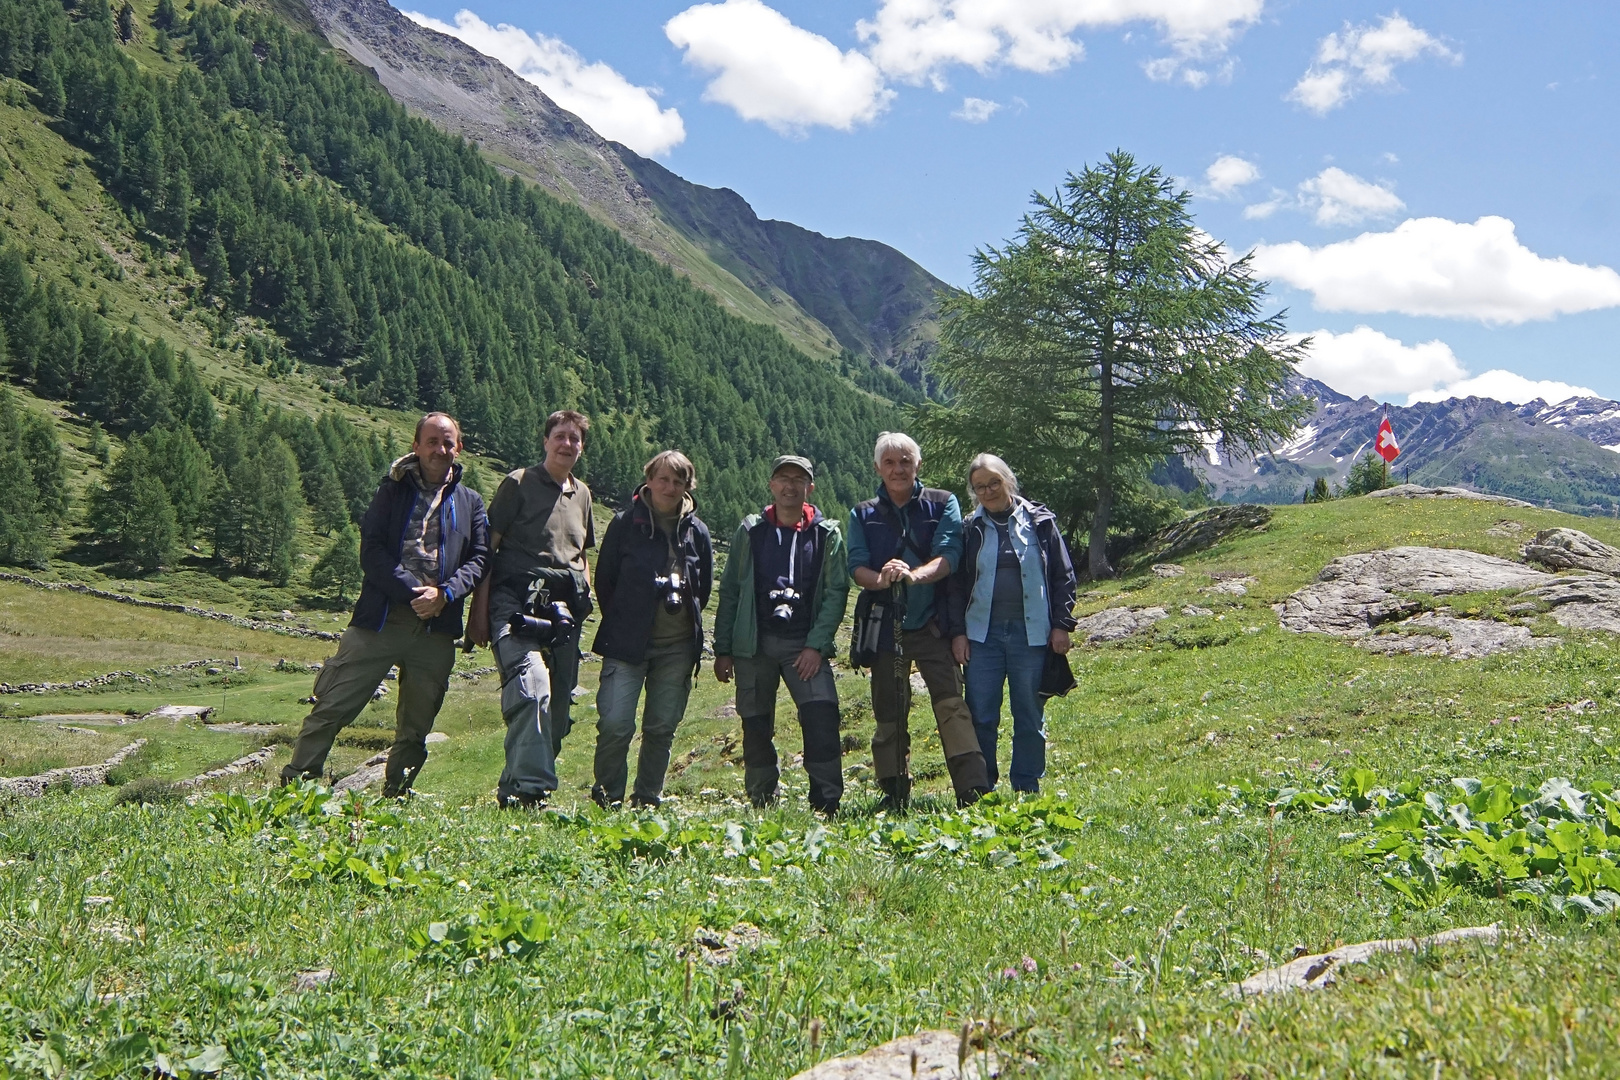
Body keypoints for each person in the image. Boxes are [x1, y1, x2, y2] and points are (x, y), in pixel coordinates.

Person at [281, 413, 488, 796]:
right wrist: (413, 592)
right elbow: (372, 550)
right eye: (432, 442)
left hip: (436, 629)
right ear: (416, 445)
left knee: (418, 722)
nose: (439, 450)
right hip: (381, 619)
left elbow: (478, 558)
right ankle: (297, 786)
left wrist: (445, 594)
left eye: (447, 443)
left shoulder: (471, 502)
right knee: (333, 704)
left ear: (458, 448)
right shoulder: (391, 491)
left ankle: (396, 792)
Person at [848, 432, 990, 809]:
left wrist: (914, 575)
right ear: (878, 467)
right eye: (890, 462)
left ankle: (972, 791)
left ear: (918, 465)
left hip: (933, 626)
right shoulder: (862, 513)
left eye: (905, 461)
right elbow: (856, 564)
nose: (898, 469)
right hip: (884, 628)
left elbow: (950, 555)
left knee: (951, 706)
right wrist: (882, 579)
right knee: (888, 713)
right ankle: (893, 793)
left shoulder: (943, 503)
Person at [471, 410, 595, 809]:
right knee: (533, 687)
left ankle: (513, 789)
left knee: (558, 711)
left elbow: (581, 553)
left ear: (582, 446)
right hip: (515, 600)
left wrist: (585, 591)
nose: (567, 444)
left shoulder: (584, 494)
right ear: (546, 441)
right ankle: (531, 793)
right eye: (560, 436)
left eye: (574, 439)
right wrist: (479, 612)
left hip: (564, 608)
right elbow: (487, 549)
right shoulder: (518, 483)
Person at [714, 455, 850, 815]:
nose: (790, 485)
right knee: (755, 723)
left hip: (804, 645)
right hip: (753, 643)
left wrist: (816, 646)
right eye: (783, 478)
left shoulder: (826, 534)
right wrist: (723, 648)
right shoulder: (751, 531)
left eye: (798, 479)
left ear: (810, 487)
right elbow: (730, 590)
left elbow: (837, 592)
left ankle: (826, 801)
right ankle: (761, 800)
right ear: (771, 485)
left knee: (822, 717)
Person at [945, 454, 1077, 793]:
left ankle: (1027, 785)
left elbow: (1063, 575)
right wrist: (958, 634)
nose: (988, 491)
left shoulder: (1040, 522)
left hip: (1031, 635)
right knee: (981, 716)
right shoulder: (969, 528)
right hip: (981, 637)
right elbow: (955, 586)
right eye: (980, 487)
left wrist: (1061, 624)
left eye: (994, 483)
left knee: (1029, 716)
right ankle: (980, 787)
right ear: (973, 493)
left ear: (1008, 481)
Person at [590, 450, 713, 808]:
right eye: (663, 479)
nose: (670, 487)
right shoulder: (626, 523)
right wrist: (626, 618)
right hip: (626, 643)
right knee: (615, 724)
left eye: (679, 481)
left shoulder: (697, 532)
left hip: (676, 647)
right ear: (648, 480)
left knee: (661, 727)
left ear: (688, 486)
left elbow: (701, 589)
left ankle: (647, 799)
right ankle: (608, 796)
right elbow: (605, 580)